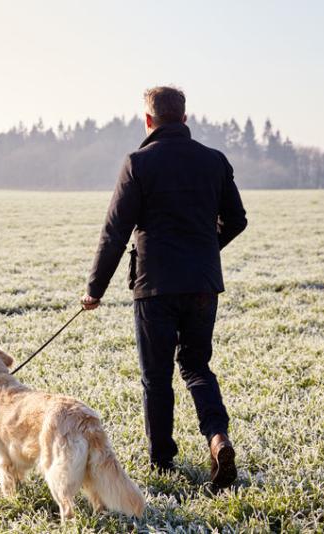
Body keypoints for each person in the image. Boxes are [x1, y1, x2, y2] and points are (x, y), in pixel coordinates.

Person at [80, 86, 247, 488]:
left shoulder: (138, 162)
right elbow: (237, 219)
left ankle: (162, 462)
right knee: (196, 365)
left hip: (153, 285)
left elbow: (115, 231)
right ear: (185, 118)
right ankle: (217, 438)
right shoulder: (214, 161)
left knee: (156, 377)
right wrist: (206, 248)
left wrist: (95, 289)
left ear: (149, 120)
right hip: (203, 285)